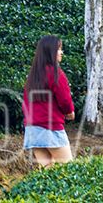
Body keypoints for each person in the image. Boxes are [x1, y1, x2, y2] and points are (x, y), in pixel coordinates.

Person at [22, 35, 76, 167]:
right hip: (50, 128)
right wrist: (70, 112)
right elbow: (64, 99)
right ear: (50, 52)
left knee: (48, 172)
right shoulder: (56, 73)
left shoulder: (33, 76)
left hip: (32, 130)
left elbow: (26, 103)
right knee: (69, 169)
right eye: (58, 49)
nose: (61, 52)